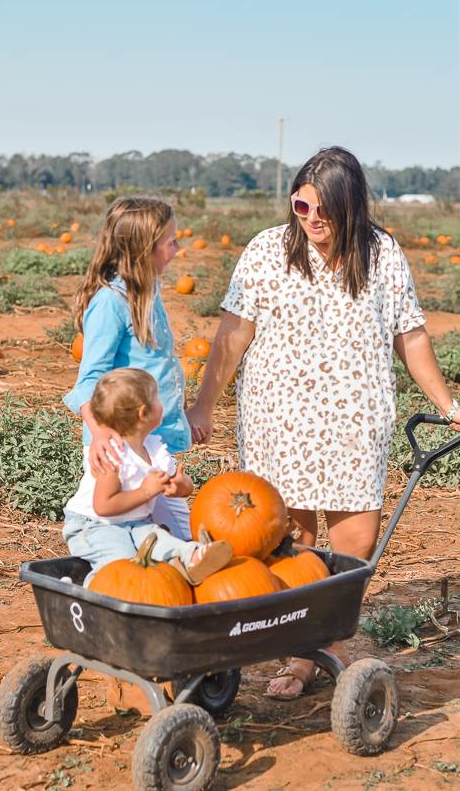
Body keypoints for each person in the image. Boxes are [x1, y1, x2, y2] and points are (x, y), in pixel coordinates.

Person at [187, 146, 460, 699]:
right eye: (302, 206)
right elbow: (233, 335)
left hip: (356, 419)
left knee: (352, 544)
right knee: (292, 540)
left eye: (325, 210)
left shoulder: (382, 254)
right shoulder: (267, 250)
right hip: (278, 418)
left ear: (352, 205)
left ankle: (328, 646)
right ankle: (298, 654)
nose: (312, 219)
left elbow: (409, 336)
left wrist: (451, 406)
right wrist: (203, 402)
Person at [64, 196, 203, 541]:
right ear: (145, 250)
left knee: (169, 532)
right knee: (121, 525)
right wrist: (98, 432)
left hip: (151, 437)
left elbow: (153, 367)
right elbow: (90, 379)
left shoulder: (148, 289)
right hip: (118, 444)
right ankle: (94, 559)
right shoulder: (111, 302)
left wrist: (180, 419)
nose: (178, 246)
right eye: (171, 241)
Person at [63, 368, 232, 584]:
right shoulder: (113, 454)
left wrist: (181, 486)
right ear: (144, 413)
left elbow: (182, 485)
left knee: (162, 543)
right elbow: (103, 506)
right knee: (120, 562)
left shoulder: (153, 447)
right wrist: (146, 491)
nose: (164, 403)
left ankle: (194, 557)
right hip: (94, 525)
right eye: (157, 398)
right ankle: (87, 594)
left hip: (138, 523)